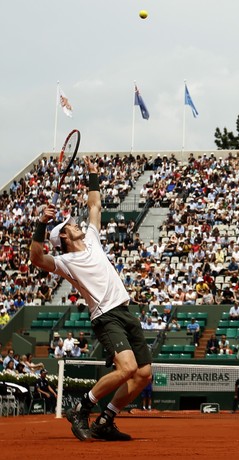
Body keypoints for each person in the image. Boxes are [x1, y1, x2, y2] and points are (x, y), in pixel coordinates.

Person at [29, 157, 152, 442]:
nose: (75, 223)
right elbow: (36, 258)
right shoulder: (66, 261)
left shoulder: (93, 238)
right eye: (69, 225)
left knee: (143, 374)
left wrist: (94, 176)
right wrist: (40, 224)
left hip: (124, 310)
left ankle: (106, 420)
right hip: (106, 317)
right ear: (65, 238)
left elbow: (94, 205)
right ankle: (81, 409)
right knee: (128, 369)